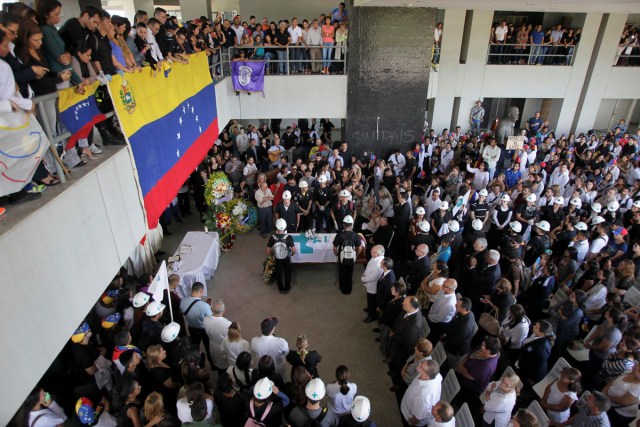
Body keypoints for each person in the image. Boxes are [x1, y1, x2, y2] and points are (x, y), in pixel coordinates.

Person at [179, 282, 214, 369]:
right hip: (204, 330)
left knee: (195, 347)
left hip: (192, 329)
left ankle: (196, 364)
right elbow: (211, 318)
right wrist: (208, 307)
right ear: (201, 291)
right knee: (208, 347)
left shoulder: (182, 301)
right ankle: (212, 364)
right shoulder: (205, 306)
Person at [400, 360, 442, 426]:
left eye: (421, 366)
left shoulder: (424, 397)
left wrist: (409, 423)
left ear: (426, 376)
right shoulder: (436, 375)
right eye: (422, 362)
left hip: (408, 416)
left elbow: (416, 417)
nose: (419, 363)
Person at [441, 297, 477, 370]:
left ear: (463, 309)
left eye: (457, 306)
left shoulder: (464, 327)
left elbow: (455, 341)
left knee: (451, 366)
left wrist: (444, 339)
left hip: (456, 351)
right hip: (453, 339)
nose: (455, 305)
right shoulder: (468, 312)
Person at [333, 215, 363, 294]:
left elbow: (334, 248)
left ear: (343, 224)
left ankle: (342, 288)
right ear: (352, 225)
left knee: (342, 272)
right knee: (350, 272)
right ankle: (348, 289)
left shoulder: (339, 235)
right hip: (352, 258)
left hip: (342, 257)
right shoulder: (356, 235)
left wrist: (337, 255)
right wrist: (356, 255)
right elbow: (360, 248)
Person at [267, 218, 296, 294]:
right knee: (287, 272)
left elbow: (267, 250)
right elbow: (294, 250)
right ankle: (287, 288)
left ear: (276, 227)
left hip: (277, 258)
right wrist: (292, 254)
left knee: (278, 273)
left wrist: (271, 255)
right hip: (286, 257)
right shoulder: (289, 237)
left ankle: (280, 288)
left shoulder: (272, 237)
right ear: (285, 226)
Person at [203, 298, 232, 373]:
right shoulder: (228, 324)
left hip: (212, 344)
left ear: (211, 309)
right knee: (224, 363)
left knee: (215, 358)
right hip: (223, 346)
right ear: (224, 310)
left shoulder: (206, 320)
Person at [362, 245, 385, 323]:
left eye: (373, 251)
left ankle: (372, 316)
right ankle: (369, 309)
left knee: (372, 300)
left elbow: (373, 277)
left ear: (378, 254)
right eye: (371, 250)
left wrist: (363, 279)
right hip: (369, 281)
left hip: (373, 285)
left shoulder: (379, 264)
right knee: (369, 298)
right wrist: (364, 274)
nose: (371, 252)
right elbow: (368, 266)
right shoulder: (374, 257)